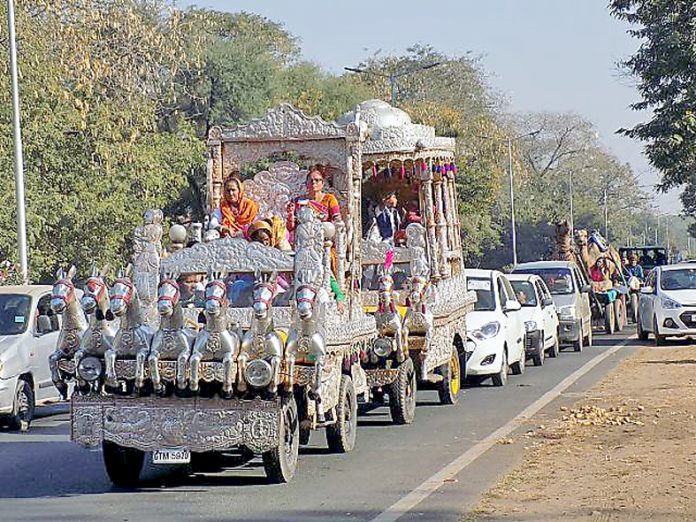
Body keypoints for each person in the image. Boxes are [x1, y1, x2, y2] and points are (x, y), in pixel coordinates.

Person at [286, 165, 341, 232]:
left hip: (324, 236)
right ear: (306, 183)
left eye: (317, 180)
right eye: (311, 180)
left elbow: (337, 218)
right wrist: (290, 215)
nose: (313, 182)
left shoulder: (329, 199)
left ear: (322, 183)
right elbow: (290, 228)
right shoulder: (298, 201)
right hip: (303, 236)